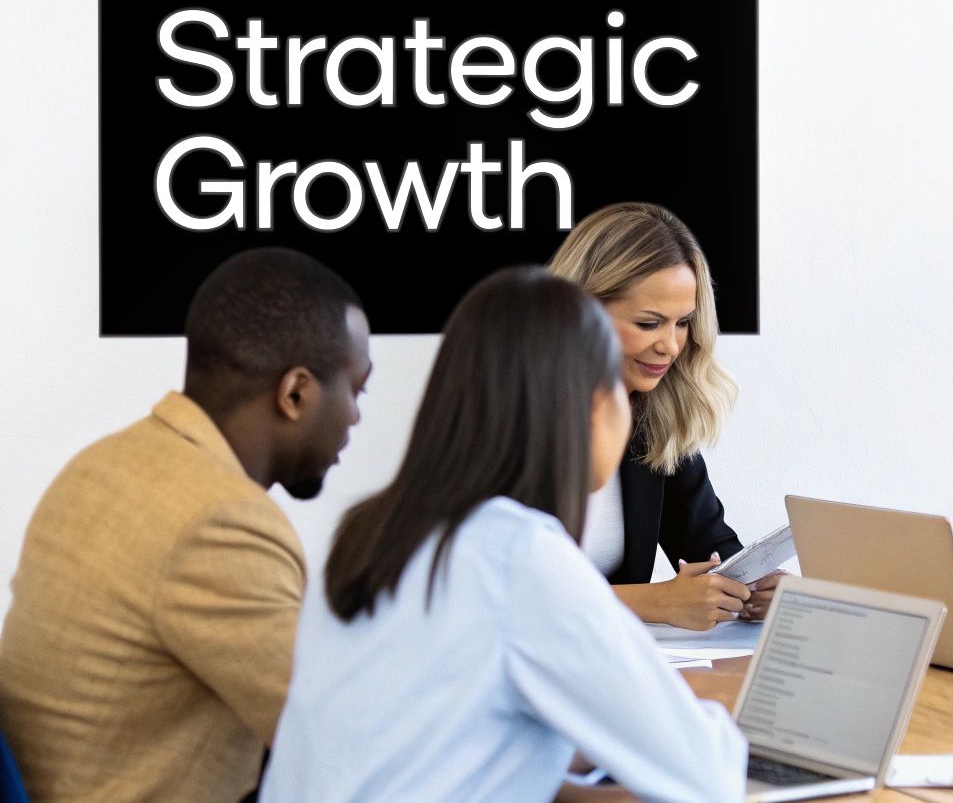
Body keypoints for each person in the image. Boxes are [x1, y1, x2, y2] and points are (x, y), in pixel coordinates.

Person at [262, 267, 746, 802]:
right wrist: (715, 704)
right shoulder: (520, 556)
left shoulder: (373, 532)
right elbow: (709, 779)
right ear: (589, 406)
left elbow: (447, 744)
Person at [0, 248, 371, 803]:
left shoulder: (100, 464)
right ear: (295, 393)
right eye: (356, 389)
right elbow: (349, 743)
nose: (357, 417)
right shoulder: (221, 520)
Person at [548, 202, 779, 629]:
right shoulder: (509, 420)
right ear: (581, 312)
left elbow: (710, 547)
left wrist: (750, 589)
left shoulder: (653, 418)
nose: (671, 346)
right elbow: (503, 595)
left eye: (683, 323)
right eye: (650, 323)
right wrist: (653, 602)